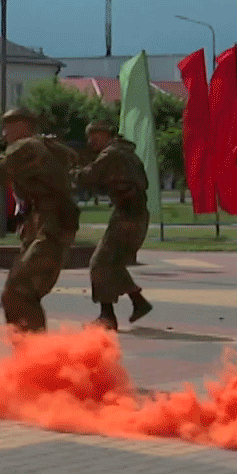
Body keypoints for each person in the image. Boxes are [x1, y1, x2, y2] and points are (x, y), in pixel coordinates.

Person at [0, 108, 80, 333]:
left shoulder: (27, 147)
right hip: (47, 223)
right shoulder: (48, 147)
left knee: (18, 293)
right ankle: (32, 356)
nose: (3, 134)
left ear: (22, 126)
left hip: (50, 227)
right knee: (21, 293)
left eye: (7, 127)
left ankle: (34, 356)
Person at [72, 120, 152, 331]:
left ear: (106, 135)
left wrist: (68, 171)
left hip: (127, 215)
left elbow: (88, 177)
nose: (91, 141)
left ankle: (107, 317)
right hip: (136, 214)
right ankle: (138, 302)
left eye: (95, 136)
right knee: (113, 263)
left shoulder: (111, 154)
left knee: (99, 263)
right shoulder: (126, 153)